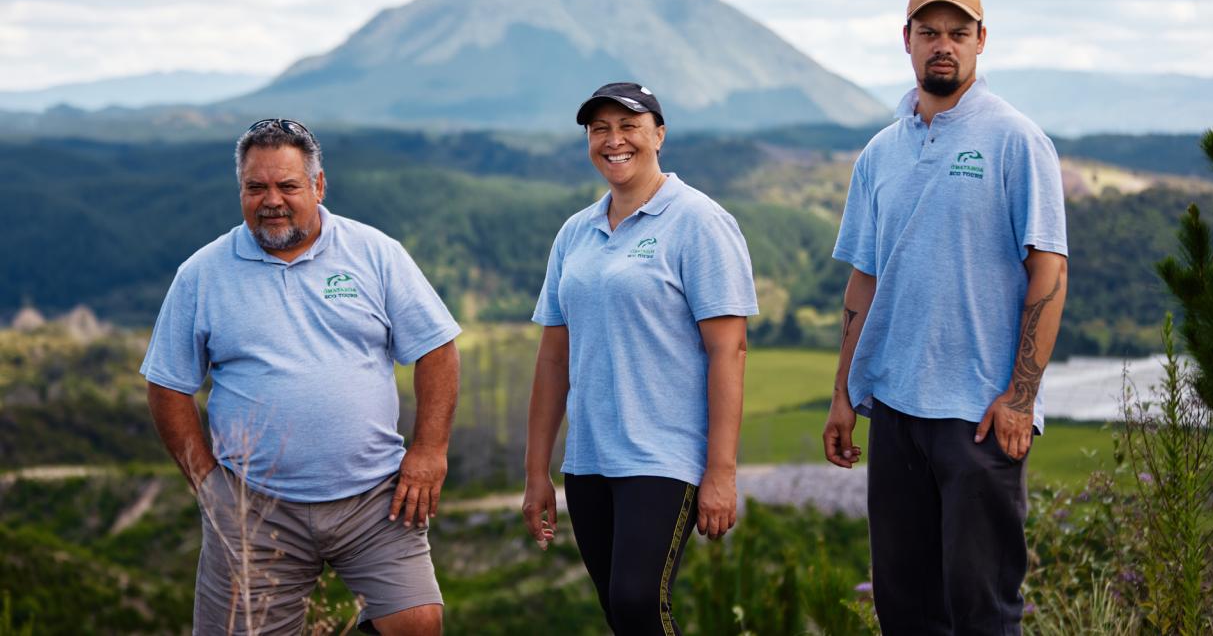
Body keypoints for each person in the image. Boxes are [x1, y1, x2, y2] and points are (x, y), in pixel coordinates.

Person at [140, 118, 461, 636]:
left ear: (318, 185)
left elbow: (437, 349)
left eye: (287, 185)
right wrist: (206, 482)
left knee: (417, 623)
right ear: (240, 190)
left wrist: (429, 451)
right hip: (254, 508)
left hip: (375, 501)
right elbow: (167, 383)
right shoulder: (202, 274)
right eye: (256, 187)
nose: (272, 200)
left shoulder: (374, 253)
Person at [822, 0, 1069, 635]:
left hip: (978, 419)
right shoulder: (879, 153)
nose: (943, 46)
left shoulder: (1015, 139)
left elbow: (1047, 271)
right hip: (894, 412)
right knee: (904, 612)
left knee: (982, 611)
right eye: (928, 32)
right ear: (905, 40)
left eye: (958, 33)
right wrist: (843, 393)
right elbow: (863, 281)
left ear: (981, 41)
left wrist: (1019, 397)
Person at [521, 82, 758, 636]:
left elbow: (730, 349)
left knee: (637, 602)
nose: (614, 140)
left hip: (664, 455)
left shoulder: (698, 221)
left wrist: (720, 474)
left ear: (659, 135)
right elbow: (554, 359)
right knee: (620, 613)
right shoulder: (575, 233)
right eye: (599, 129)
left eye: (629, 126)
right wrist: (537, 472)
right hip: (589, 460)